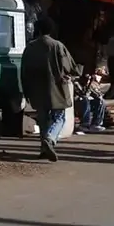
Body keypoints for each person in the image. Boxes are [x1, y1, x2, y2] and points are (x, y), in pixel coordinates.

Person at [21, 17, 79, 162]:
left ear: (38, 29)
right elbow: (70, 67)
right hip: (56, 88)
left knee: (43, 119)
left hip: (36, 89)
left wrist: (26, 90)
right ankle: (50, 138)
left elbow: (24, 71)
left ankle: (44, 149)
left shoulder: (30, 47)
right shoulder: (57, 46)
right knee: (60, 117)